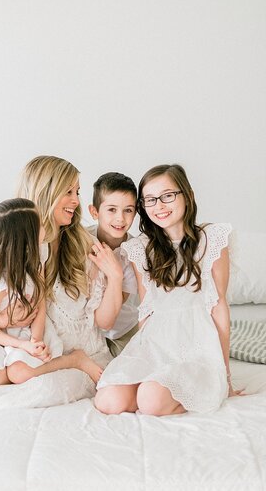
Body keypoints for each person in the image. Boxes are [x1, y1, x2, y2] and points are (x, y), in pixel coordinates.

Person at [95, 163, 242, 417]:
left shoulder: (212, 238)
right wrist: (141, 359)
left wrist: (225, 374)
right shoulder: (142, 248)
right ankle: (154, 384)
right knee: (109, 400)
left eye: (167, 196)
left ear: (188, 195)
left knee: (151, 400)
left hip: (196, 347)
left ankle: (182, 389)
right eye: (150, 200)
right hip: (156, 344)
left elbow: (219, 308)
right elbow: (147, 310)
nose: (159, 206)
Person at [0, 198, 101, 387]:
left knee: (19, 373)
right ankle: (10, 366)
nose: (46, 226)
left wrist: (35, 340)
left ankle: (76, 359)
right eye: (41, 224)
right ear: (26, 238)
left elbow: (40, 301)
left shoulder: (37, 256)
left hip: (26, 332)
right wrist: (20, 345)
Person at [17, 156, 124, 370]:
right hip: (36, 355)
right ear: (44, 192)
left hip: (86, 354)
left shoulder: (86, 244)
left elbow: (104, 322)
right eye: (68, 192)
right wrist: (5, 319)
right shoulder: (15, 243)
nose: (76, 200)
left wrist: (115, 278)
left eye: (77, 192)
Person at [87, 172, 140, 357]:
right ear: (94, 212)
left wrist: (115, 274)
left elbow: (110, 313)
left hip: (123, 332)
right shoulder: (82, 240)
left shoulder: (135, 253)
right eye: (111, 210)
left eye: (128, 210)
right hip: (86, 330)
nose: (120, 219)